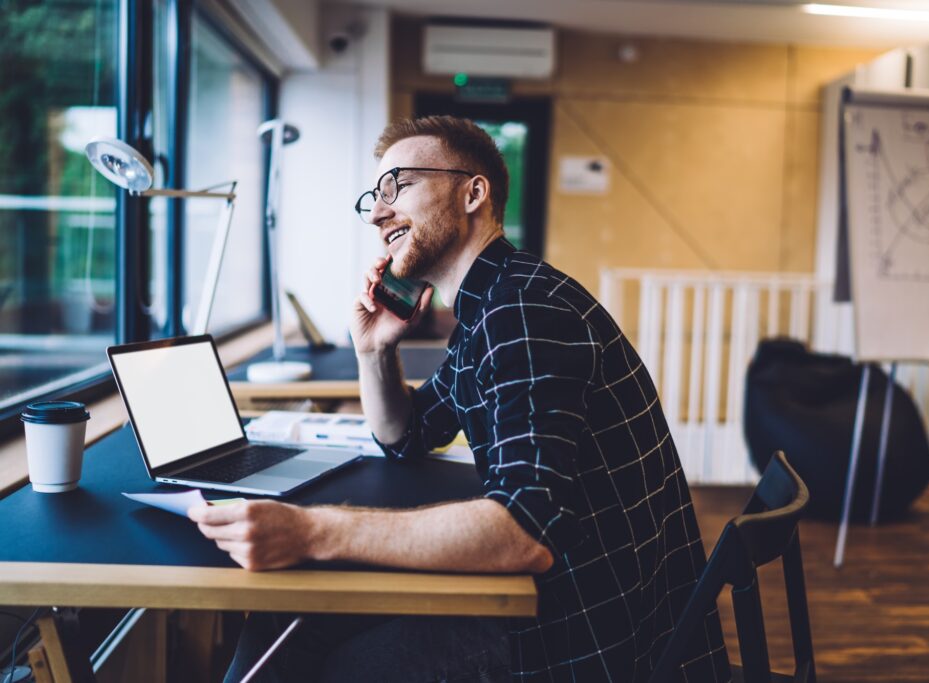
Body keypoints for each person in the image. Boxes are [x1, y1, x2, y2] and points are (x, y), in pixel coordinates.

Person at [189, 115, 730, 682]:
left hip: (576, 636)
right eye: (374, 196)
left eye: (398, 186)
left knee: (330, 662)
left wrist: (310, 530)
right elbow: (409, 433)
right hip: (573, 603)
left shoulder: (523, 312)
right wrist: (373, 350)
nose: (377, 212)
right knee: (284, 628)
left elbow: (525, 532)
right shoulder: (493, 305)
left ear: (473, 192)